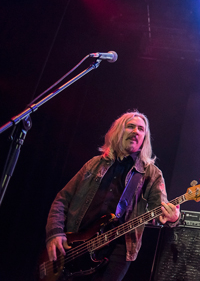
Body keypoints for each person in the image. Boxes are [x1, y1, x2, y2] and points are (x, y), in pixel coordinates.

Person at [45, 111, 180, 281]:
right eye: (130, 126)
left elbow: (159, 211)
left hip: (118, 250)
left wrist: (173, 217)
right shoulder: (94, 164)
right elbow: (62, 199)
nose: (136, 131)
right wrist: (55, 232)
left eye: (141, 129)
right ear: (118, 132)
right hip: (76, 245)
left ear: (144, 137)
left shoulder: (151, 173)